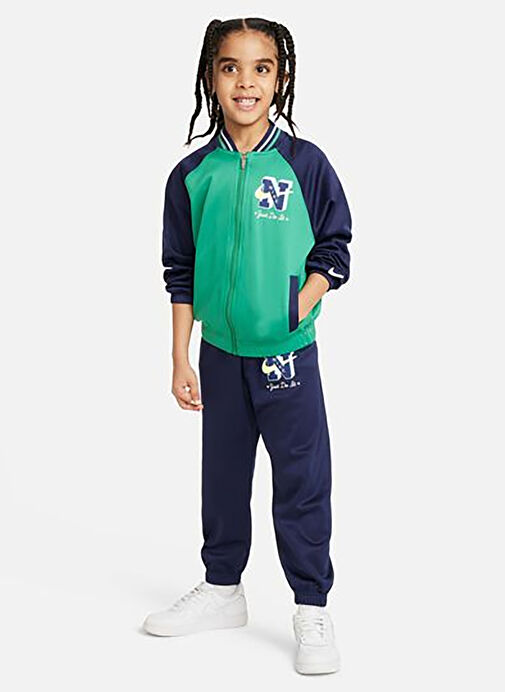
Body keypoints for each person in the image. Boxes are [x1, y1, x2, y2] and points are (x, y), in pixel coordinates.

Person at [143, 17, 353, 676]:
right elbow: (179, 270)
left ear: (279, 79)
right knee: (223, 477)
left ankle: (311, 606)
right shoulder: (191, 174)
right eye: (230, 66)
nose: (245, 82)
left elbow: (335, 245)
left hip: (287, 352)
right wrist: (180, 356)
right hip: (220, 355)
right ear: (211, 77)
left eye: (261, 68)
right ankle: (222, 590)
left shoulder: (304, 164)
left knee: (301, 480)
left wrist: (301, 300)